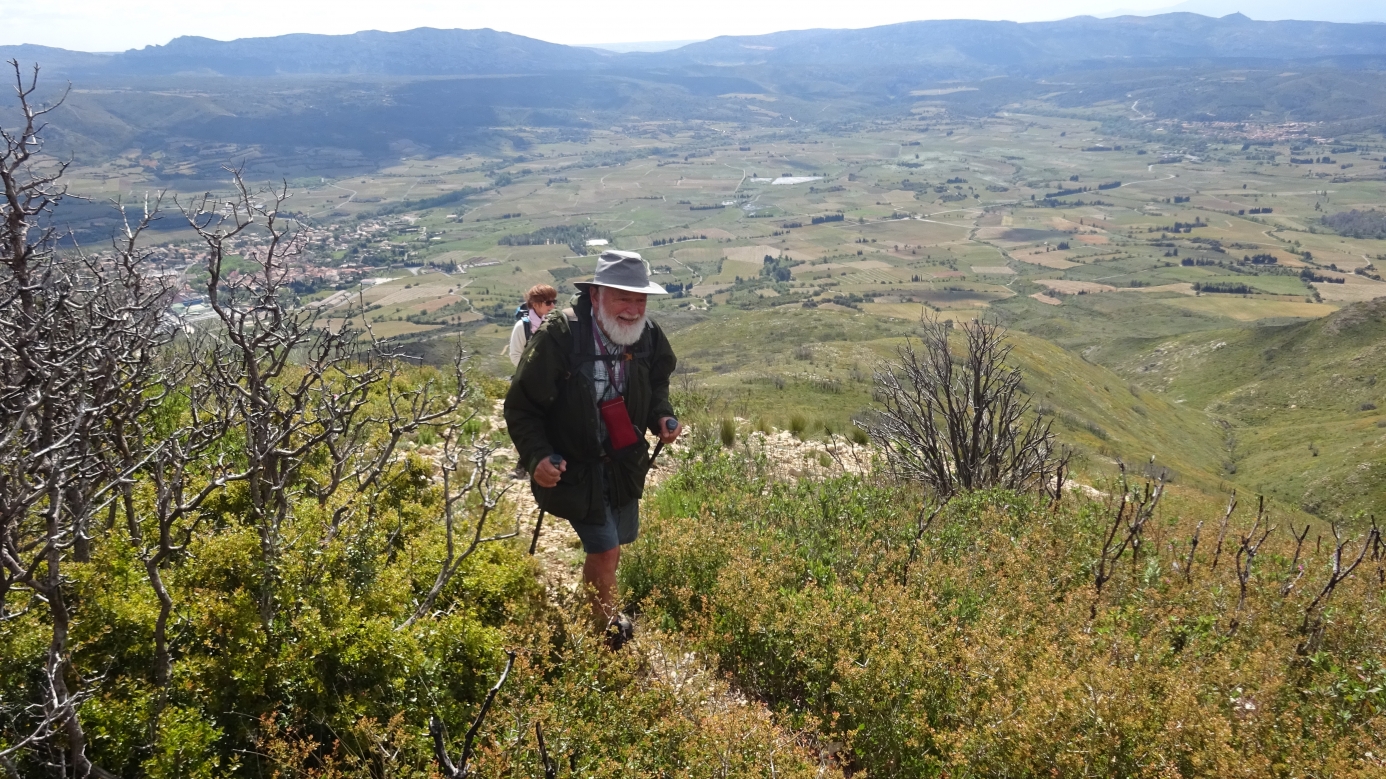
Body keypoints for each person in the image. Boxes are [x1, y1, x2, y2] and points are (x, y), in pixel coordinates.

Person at [503, 250, 680, 648]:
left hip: (622, 462)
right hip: (575, 468)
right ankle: (604, 630)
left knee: (614, 544)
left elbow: (658, 382)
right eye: (623, 297)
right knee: (606, 549)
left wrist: (662, 415)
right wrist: (536, 456)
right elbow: (521, 407)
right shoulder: (560, 335)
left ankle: (593, 607)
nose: (633, 309)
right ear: (597, 294)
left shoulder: (647, 335)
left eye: (640, 299)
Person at [508, 284, 558, 367]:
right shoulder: (522, 326)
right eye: (548, 302)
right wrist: (533, 371)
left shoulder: (555, 322)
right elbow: (515, 356)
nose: (553, 306)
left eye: (554, 301)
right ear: (535, 304)